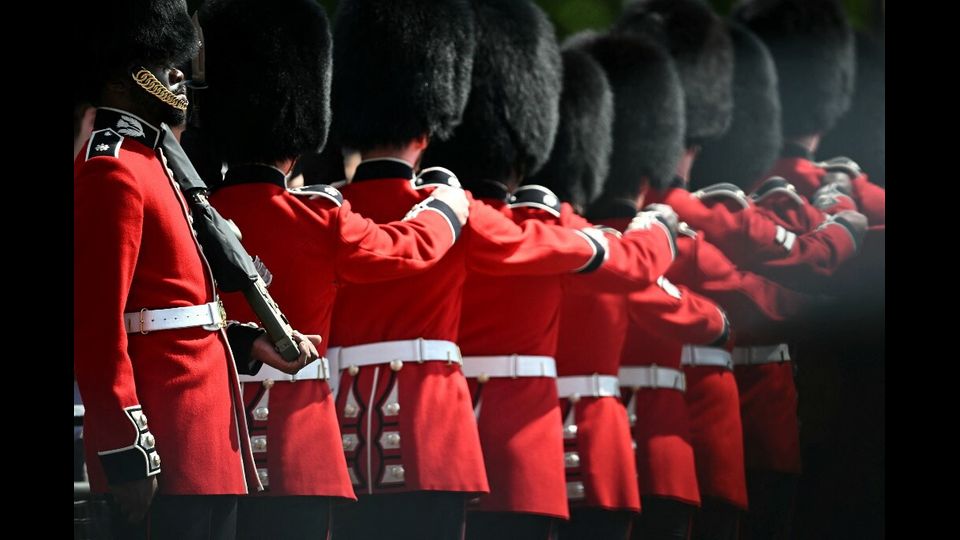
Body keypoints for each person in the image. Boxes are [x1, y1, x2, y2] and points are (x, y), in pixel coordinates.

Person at [194, 0, 470, 537]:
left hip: (208, 439)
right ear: (299, 135)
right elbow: (406, 248)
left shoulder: (192, 217)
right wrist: (446, 206)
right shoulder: (318, 219)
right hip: (299, 450)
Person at [74, 1, 321, 538]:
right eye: (162, 60)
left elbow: (171, 306)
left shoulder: (158, 164)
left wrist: (245, 342)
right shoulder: (111, 169)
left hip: (209, 445)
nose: (179, 74)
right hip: (162, 447)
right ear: (122, 72)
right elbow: (97, 325)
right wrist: (125, 450)